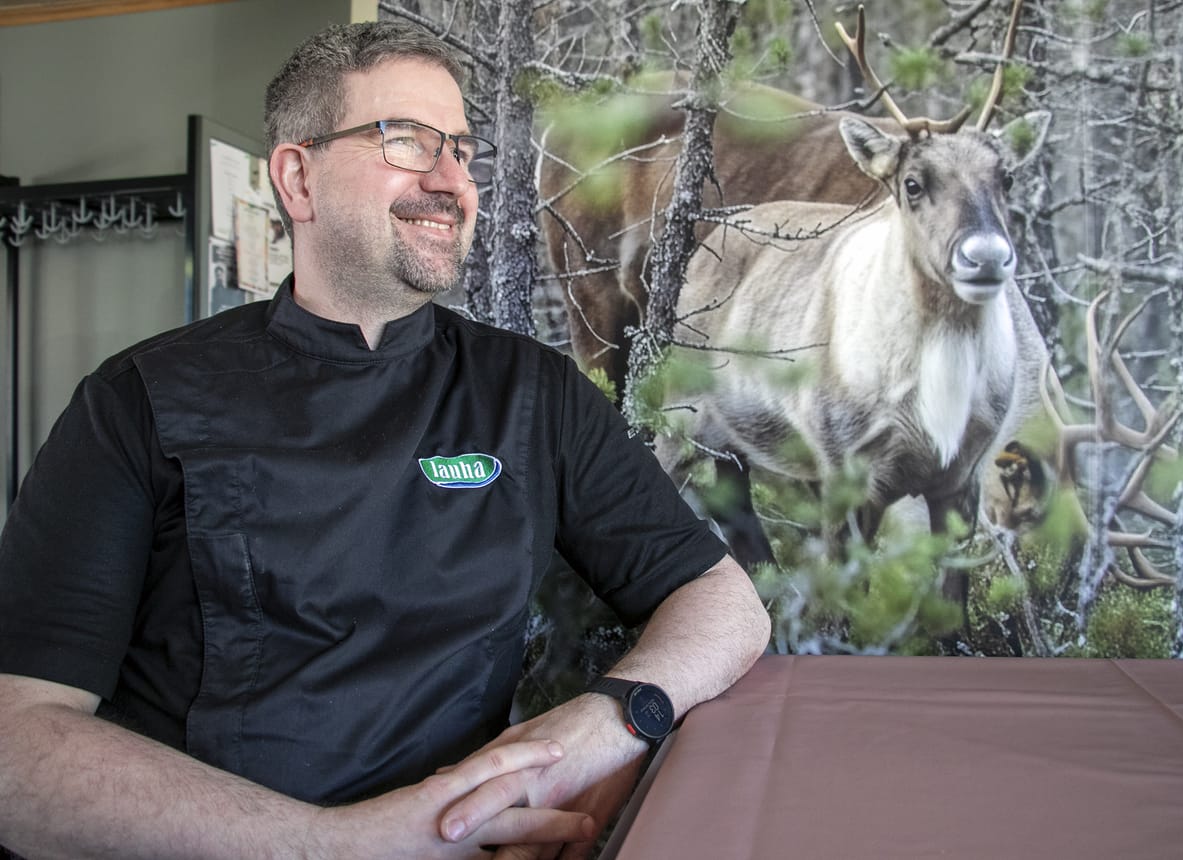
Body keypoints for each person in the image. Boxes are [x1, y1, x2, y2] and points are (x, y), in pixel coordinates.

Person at [0, 20, 769, 860]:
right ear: (298, 177)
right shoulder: (137, 401)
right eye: (406, 141)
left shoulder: (529, 395)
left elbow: (724, 604)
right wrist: (329, 844)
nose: (452, 181)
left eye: (462, 151)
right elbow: (19, 749)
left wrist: (609, 724)